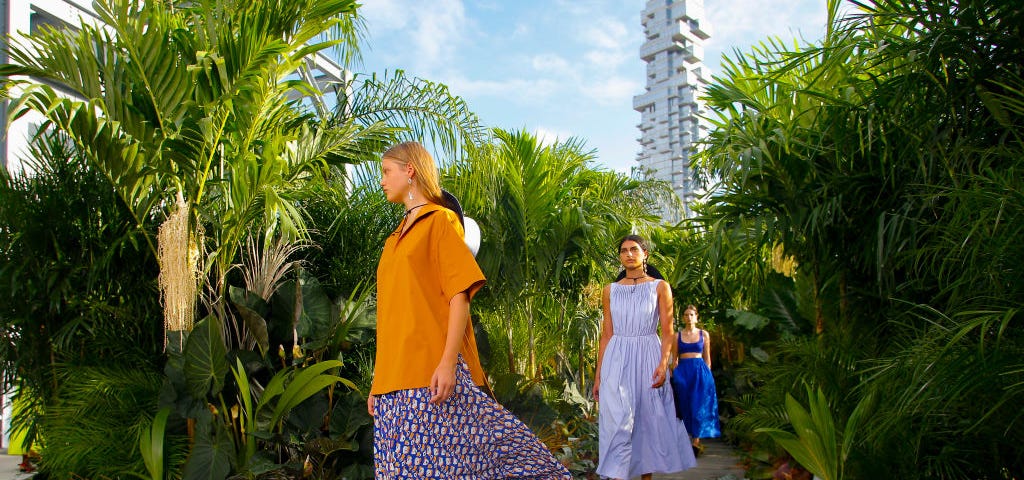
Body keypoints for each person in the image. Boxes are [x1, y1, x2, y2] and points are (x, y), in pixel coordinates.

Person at [367, 141, 571, 479]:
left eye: (387, 171)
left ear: (410, 170)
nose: (382, 180)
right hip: (392, 383)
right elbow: (389, 317)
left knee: (453, 466)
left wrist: (447, 363)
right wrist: (377, 381)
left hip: (427, 374)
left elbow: (458, 295)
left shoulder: (440, 222)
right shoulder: (393, 239)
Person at [593, 235, 696, 480]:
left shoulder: (660, 287)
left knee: (646, 422)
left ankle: (645, 477)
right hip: (617, 358)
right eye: (624, 250)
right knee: (617, 420)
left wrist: (664, 364)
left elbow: (668, 331)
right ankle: (617, 475)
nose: (629, 254)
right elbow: (606, 335)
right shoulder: (610, 290)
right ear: (619, 256)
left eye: (634, 249)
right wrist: (598, 376)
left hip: (648, 354)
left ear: (645, 253)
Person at [670, 305, 722, 456]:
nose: (688, 317)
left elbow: (708, 359)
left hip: (700, 372)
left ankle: (696, 441)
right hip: (684, 372)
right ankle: (685, 439)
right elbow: (675, 360)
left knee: (699, 405)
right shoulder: (677, 336)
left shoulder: (704, 335)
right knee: (685, 404)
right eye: (686, 315)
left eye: (691, 314)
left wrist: (708, 377)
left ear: (696, 317)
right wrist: (675, 375)